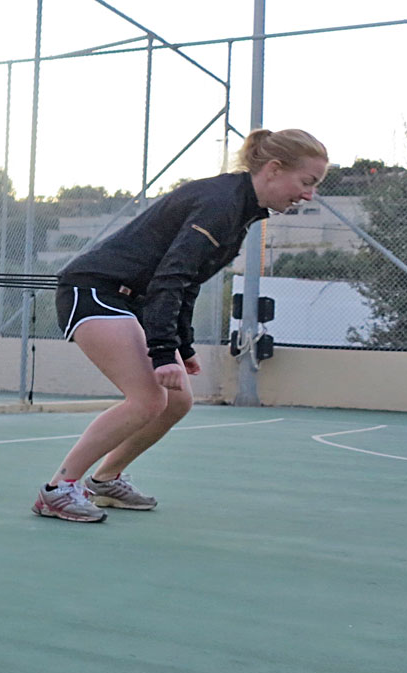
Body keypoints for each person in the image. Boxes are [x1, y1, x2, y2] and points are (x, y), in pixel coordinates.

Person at [34, 128, 329, 522]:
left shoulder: (239, 208)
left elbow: (187, 282)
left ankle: (104, 480)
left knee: (177, 401)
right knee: (148, 399)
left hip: (134, 299)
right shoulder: (220, 203)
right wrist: (162, 352)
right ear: (274, 169)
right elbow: (169, 279)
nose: (309, 194)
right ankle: (57, 490)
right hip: (95, 292)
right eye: (307, 182)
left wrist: (182, 347)